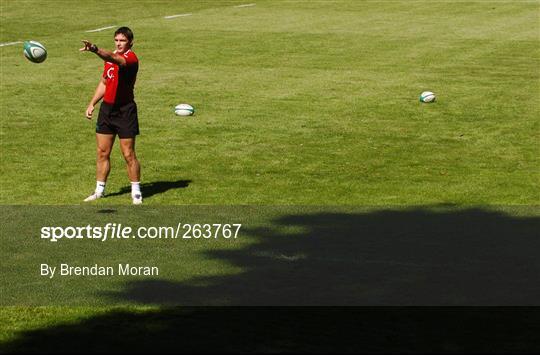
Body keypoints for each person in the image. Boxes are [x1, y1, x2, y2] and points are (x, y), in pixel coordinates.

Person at [80, 27, 142, 205]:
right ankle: (99, 191)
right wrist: (92, 103)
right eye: (116, 40)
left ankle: (136, 192)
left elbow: (114, 58)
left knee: (128, 154)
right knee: (102, 152)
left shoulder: (130, 59)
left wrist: (94, 49)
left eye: (122, 40)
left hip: (125, 111)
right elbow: (105, 81)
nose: (119, 43)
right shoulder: (110, 58)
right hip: (107, 110)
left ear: (130, 42)